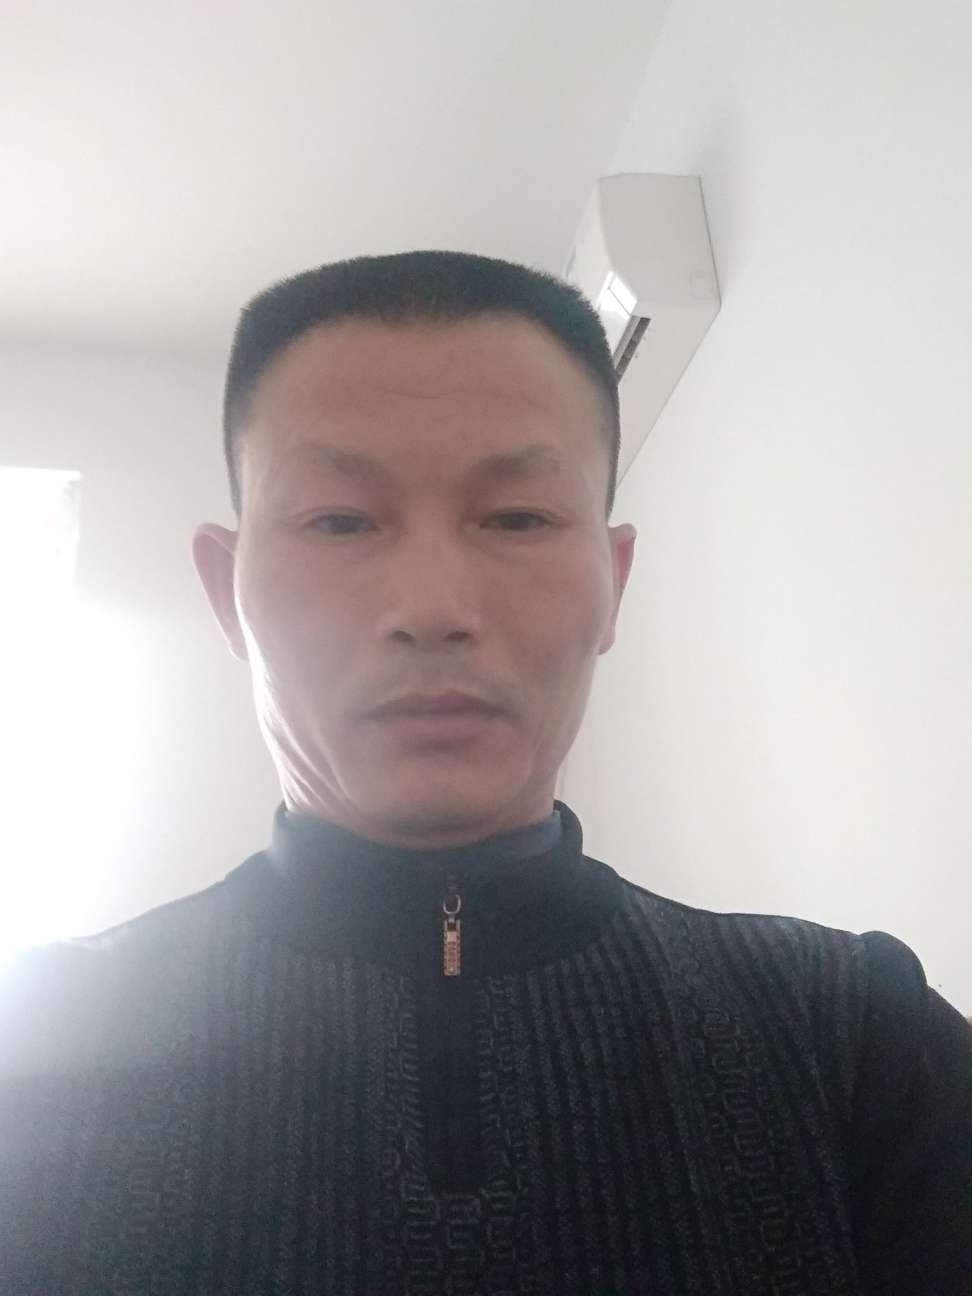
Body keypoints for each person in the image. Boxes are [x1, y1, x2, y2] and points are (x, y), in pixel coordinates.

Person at [1, 251, 969, 1295]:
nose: (431, 607)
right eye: (340, 520)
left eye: (517, 518)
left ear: (613, 582)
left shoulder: (855, 1039)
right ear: (226, 589)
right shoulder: (35, 1052)